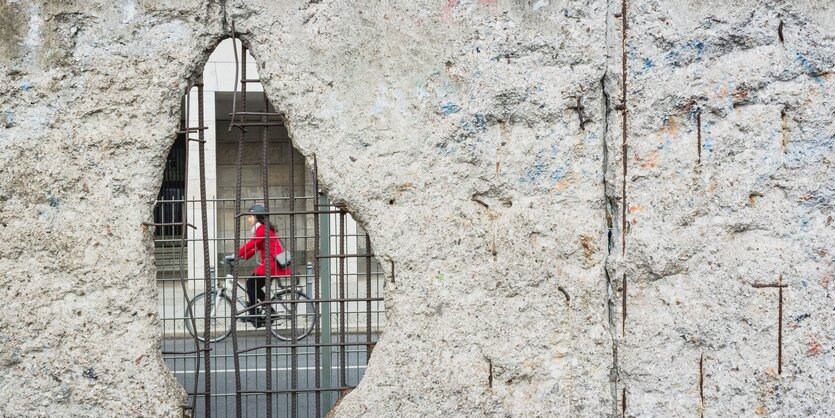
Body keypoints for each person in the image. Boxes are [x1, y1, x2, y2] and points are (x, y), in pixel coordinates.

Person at [236, 204, 291, 327]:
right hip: (271, 264)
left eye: (250, 216)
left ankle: (254, 313)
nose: (248, 219)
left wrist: (236, 254)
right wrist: (241, 256)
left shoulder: (262, 229)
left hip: (272, 265)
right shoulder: (262, 229)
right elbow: (255, 248)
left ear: (256, 217)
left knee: (251, 283)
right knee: (254, 285)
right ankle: (268, 312)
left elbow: (251, 244)